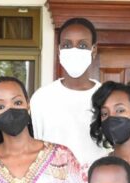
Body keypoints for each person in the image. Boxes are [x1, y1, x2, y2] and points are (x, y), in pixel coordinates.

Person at [31, 17, 108, 165]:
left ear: (94, 50)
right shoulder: (41, 98)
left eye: (82, 45)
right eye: (67, 45)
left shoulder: (107, 97)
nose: (74, 51)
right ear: (59, 50)